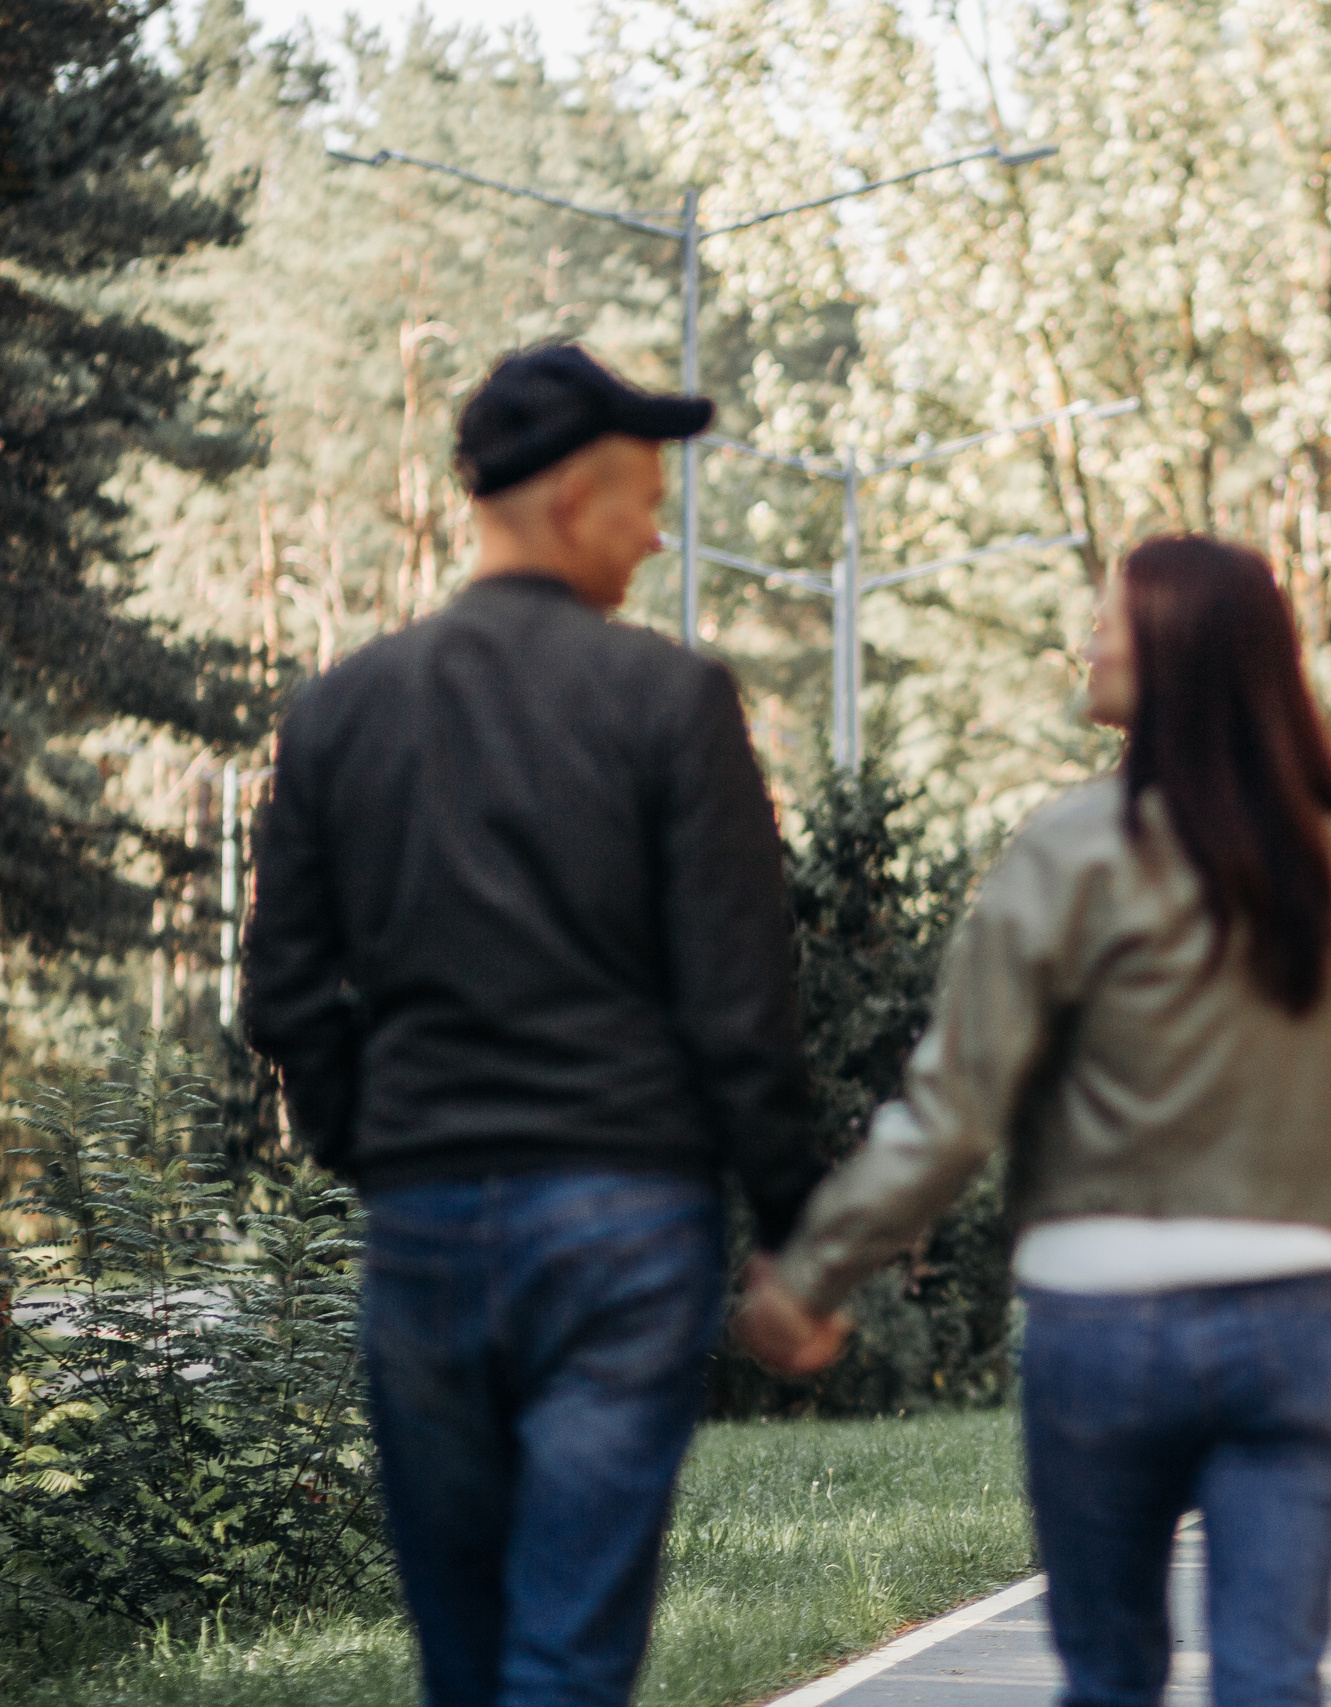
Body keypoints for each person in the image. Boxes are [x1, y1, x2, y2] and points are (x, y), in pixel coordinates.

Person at [732, 534, 1331, 1707]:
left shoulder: (1071, 846)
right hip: (1303, 1326)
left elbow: (956, 1109)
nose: (1088, 638)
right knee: (1273, 1675)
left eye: (1110, 618)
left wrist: (809, 1275)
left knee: (1109, 1677)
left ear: (1177, 652)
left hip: (1111, 1326)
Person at [245, 342, 821, 1707]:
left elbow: (281, 989)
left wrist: (373, 1142)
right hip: (625, 1225)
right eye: (640, 500)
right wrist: (799, 1231)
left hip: (429, 1219)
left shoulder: (341, 710)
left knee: (466, 1658)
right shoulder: (673, 703)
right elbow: (742, 1002)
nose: (653, 530)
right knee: (566, 1653)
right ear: (570, 495)